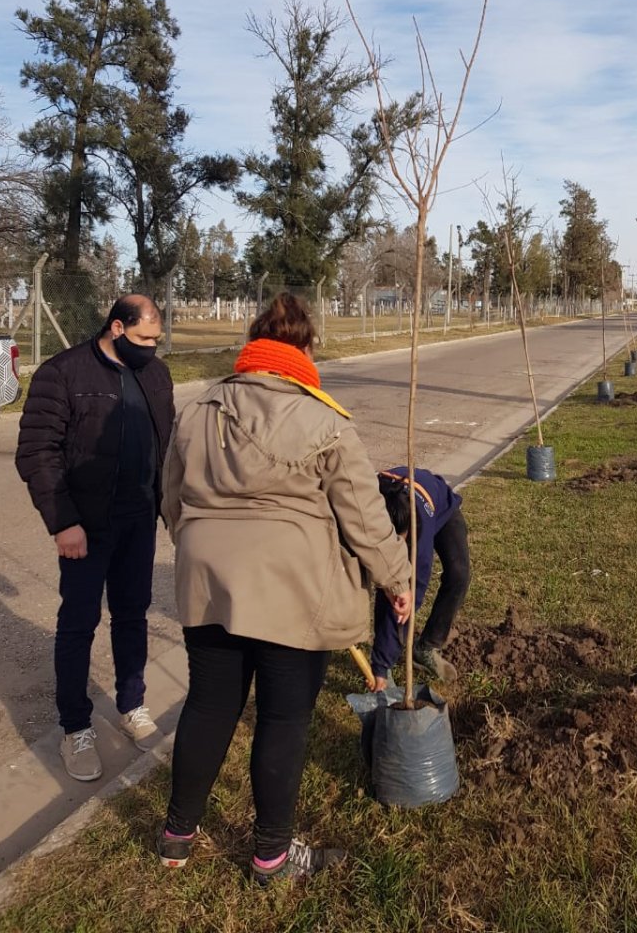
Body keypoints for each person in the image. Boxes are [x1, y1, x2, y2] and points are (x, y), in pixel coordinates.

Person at [158, 292, 412, 885]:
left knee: (209, 705)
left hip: (208, 585)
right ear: (306, 350)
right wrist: (397, 579)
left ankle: (177, 835)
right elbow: (366, 520)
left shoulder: (196, 410)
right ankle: (270, 856)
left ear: (253, 345)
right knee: (283, 719)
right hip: (293, 595)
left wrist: (203, 548)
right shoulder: (326, 421)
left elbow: (169, 499)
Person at [15, 295, 174, 782]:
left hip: (138, 519)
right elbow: (37, 452)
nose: (153, 348)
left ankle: (132, 705)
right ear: (118, 328)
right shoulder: (63, 374)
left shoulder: (155, 374)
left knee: (132, 615)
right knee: (78, 623)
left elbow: (168, 442)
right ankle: (75, 727)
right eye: (146, 339)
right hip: (85, 527)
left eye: (157, 340)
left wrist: (170, 505)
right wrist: (64, 521)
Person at [369, 467, 470, 691]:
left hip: (440, 507)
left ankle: (426, 647)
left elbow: (411, 593)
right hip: (396, 501)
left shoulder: (419, 538)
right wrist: (381, 664)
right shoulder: (370, 508)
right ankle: (384, 663)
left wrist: (402, 597)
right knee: (391, 586)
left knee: (459, 574)